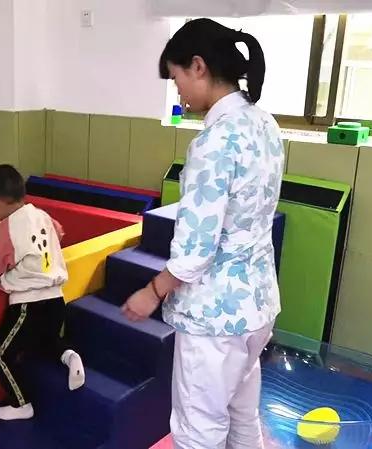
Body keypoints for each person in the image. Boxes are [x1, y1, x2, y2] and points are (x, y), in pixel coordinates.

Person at [121, 18, 284, 449]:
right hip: (257, 306)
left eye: (176, 78)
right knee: (242, 414)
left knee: (199, 430)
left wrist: (152, 292)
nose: (178, 91)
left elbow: (194, 251)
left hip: (215, 318)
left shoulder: (213, 142)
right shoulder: (263, 124)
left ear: (198, 66)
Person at [0, 164, 85, 421]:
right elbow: (59, 234)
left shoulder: (3, 229)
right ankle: (71, 357)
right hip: (56, 297)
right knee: (46, 341)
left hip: (28, 303)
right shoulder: (42, 216)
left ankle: (21, 404)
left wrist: (4, 270)